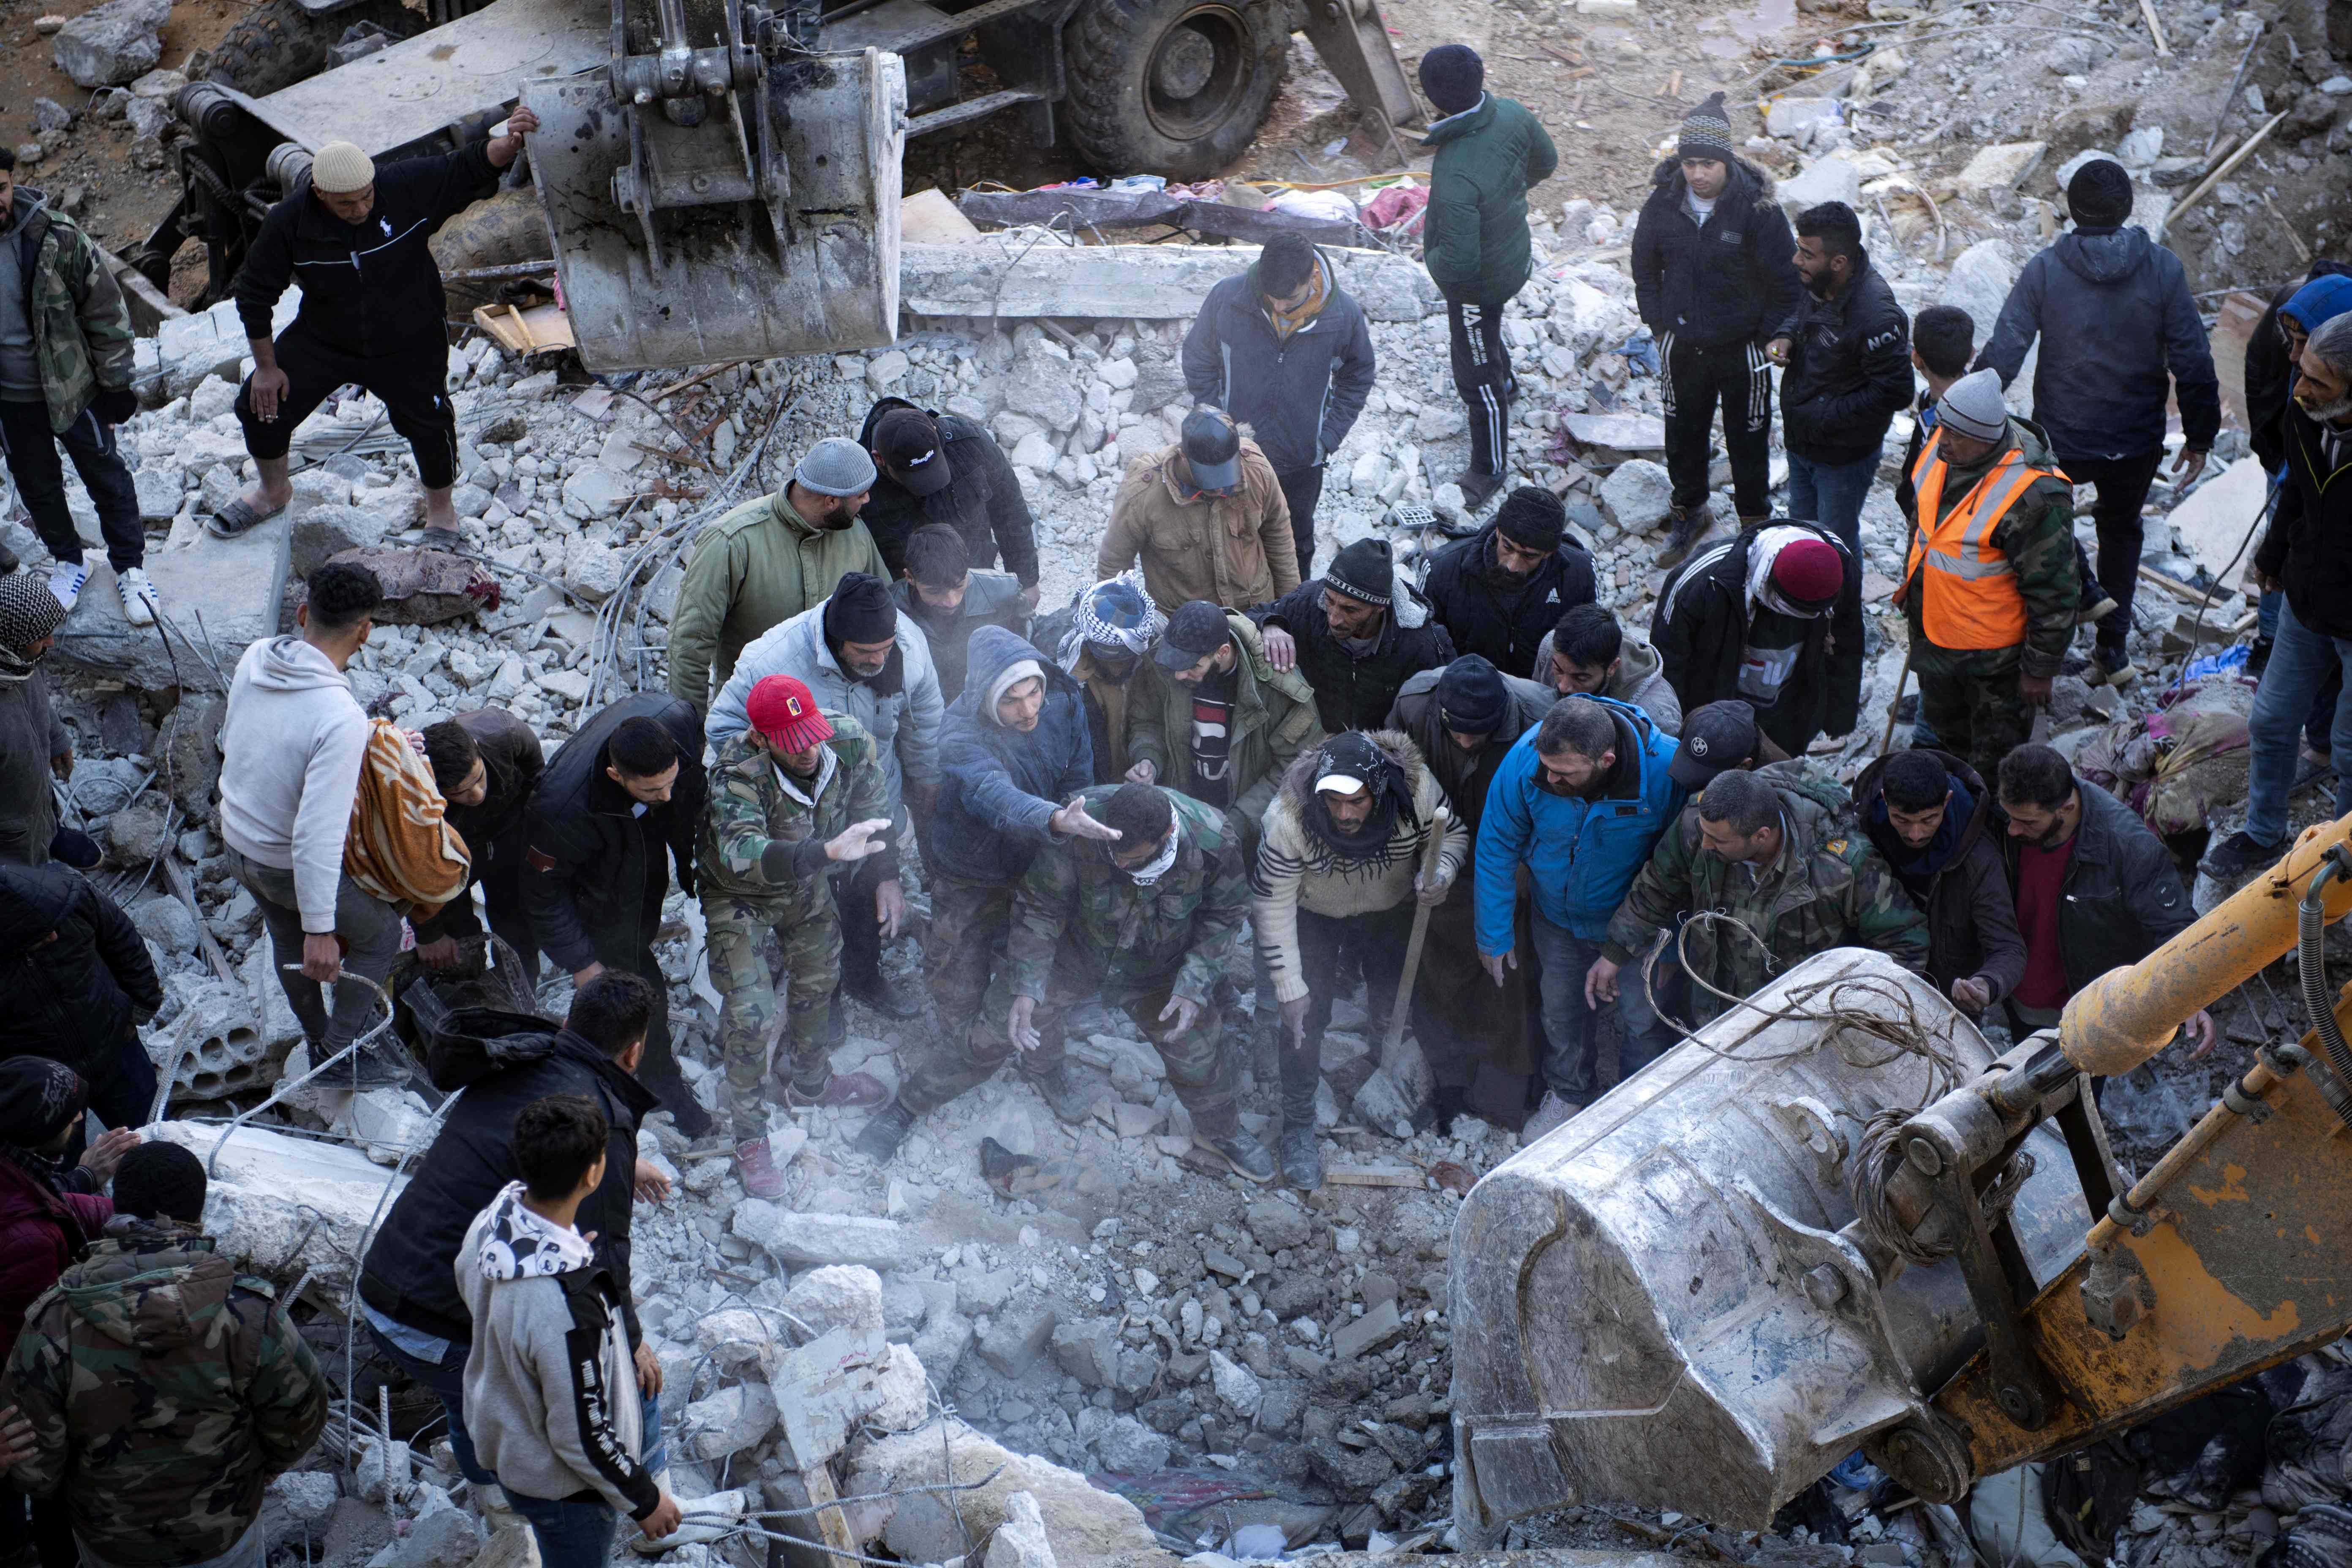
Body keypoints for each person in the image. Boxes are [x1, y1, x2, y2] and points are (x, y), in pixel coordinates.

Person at [854, 784, 1274, 1183]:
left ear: (1167, 835)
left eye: (1132, 858)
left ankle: (1221, 1131)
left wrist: (1194, 982)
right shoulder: (1083, 823)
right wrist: (1028, 985)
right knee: (996, 1029)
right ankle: (907, 1106)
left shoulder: (1213, 841)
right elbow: (1041, 906)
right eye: (1114, 854)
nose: (1120, 865)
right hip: (1074, 954)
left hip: (1161, 968)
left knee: (1196, 1049)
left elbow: (1226, 913)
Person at [357, 972, 667, 1499]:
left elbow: (516, 1138)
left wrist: (621, 1161)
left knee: (468, 1397)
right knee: (623, 1372)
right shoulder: (602, 1117)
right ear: (634, 1054)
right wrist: (634, 1344)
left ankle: (492, 1503)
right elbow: (607, 1257)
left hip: (382, 1288)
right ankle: (654, 1500)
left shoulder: (521, 1059)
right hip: (436, 1324)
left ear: (569, 1022)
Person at [6, 1141, 328, 1568]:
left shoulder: (53, 1322)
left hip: (111, 1543)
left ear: (116, 1211)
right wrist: (262, 1470)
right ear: (198, 1218)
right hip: (223, 1536)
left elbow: (33, 1467)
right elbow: (302, 1420)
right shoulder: (253, 1315)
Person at [218, 120, 539, 547]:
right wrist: (265, 368)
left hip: (410, 334)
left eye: (367, 196)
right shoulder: (289, 222)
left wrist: (508, 142)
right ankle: (273, 491)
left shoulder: (401, 185)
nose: (362, 209)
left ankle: (441, 515)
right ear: (320, 195)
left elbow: (464, 167)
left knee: (430, 419)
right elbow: (254, 294)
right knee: (259, 405)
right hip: (327, 336)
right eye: (347, 204)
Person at [1976, 157, 2220, 688]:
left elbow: (2006, 350)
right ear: (2128, 209)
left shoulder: (2046, 268)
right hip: (2135, 437)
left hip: (2064, 434)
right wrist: (2200, 433)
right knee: (2122, 529)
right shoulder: (2162, 268)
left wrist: (1969, 412)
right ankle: (2112, 651)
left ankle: (2049, 636)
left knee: (2042, 524)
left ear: (2072, 211)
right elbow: (2194, 358)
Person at [457, 1095, 682, 1568]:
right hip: (564, 1490)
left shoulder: (492, 1222)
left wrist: (565, 1254)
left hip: (509, 1443)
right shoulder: (566, 1307)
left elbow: (471, 1282)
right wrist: (644, 1500)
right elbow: (581, 1432)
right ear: (594, 1174)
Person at [909, 630, 1122, 1127]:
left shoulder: (1065, 698)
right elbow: (996, 796)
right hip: (971, 870)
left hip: (1039, 861)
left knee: (1036, 972)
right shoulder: (959, 733)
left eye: (1033, 694)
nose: (1028, 710)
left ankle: (1045, 1062)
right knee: (957, 977)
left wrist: (1071, 822)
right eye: (1011, 700)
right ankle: (966, 1049)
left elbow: (1078, 779)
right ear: (986, 697)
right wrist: (1055, 820)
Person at [706, 574, 942, 1019]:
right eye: (865, 653)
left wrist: (927, 778)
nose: (878, 660)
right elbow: (723, 731)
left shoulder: (907, 647)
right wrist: (781, 790)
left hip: (874, 792)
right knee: (810, 908)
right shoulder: (773, 661)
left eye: (884, 650)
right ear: (836, 641)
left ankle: (864, 976)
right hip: (802, 813)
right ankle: (822, 993)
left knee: (866, 889)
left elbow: (925, 717)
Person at [698, 677, 895, 1192]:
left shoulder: (848, 741)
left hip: (807, 884)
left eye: (812, 733)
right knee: (752, 1014)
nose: (808, 749)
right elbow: (744, 854)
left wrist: (886, 876)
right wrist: (826, 854)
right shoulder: (735, 772)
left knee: (819, 977)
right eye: (791, 741)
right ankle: (748, 1133)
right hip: (741, 896)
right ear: (762, 739)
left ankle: (811, 1082)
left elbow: (875, 815)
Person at [218, 561, 410, 1085]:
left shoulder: (259, 655)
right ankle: (336, 1054)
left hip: (236, 840)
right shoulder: (338, 715)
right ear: (365, 631)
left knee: (284, 932)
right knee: (380, 936)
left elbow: (236, 740)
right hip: (283, 861)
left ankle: (315, 1028)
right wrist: (321, 930)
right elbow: (316, 835)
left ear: (303, 613)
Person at [1253, 732, 1465, 1187]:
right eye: (1333, 802)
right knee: (1304, 1020)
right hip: (1314, 915)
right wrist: (1289, 987)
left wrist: (1441, 871)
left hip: (1389, 909)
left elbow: (1452, 836)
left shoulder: (1418, 791)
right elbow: (1271, 904)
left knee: (1393, 1001)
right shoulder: (1287, 819)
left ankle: (1390, 1078)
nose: (1346, 814)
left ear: (1381, 789)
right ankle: (1297, 1124)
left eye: (1358, 801)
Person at [1476, 696, 1683, 1141]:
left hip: (1638, 928)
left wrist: (1678, 938)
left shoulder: (1665, 769)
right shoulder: (1528, 760)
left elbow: (1685, 860)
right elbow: (1496, 843)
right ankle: (1569, 1091)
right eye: (1546, 767)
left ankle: (1637, 1105)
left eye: (1564, 774)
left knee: (1644, 1018)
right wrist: (1493, 931)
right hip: (1557, 919)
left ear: (1605, 760)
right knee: (1561, 1010)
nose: (1549, 778)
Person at [1598, 766, 1930, 1033]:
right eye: (1704, 834)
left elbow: (1905, 943)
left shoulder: (1843, 868)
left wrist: (1850, 1015)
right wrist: (1616, 952)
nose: (1705, 846)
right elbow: (1659, 886)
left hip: (1801, 1030)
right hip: (1715, 1014)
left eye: (1718, 841)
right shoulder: (1701, 824)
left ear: (1761, 836)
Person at [2206, 313, 2352, 881]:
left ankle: (2340, 867)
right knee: (2270, 722)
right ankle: (2263, 835)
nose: (2299, 388)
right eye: (2304, 371)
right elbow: (2296, 490)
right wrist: (2271, 557)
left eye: (2319, 382)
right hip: (2306, 600)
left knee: (2348, 751)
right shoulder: (2305, 415)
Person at [523, 694, 710, 1135]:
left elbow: (685, 799)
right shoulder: (559, 809)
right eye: (652, 790)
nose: (666, 795)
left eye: (670, 781)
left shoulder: (678, 721)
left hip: (635, 847)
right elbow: (543, 896)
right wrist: (583, 963)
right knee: (638, 989)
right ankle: (655, 1084)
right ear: (614, 774)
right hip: (599, 885)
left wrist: (690, 863)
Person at [1630, 92, 1802, 568]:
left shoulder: (1755, 209)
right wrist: (1659, 325)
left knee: (1748, 434)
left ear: (1726, 161)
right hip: (1681, 344)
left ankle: (1754, 523)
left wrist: (1769, 336)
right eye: (1690, 164)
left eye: (1708, 163)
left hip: (1742, 348)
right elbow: (1644, 268)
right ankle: (1690, 512)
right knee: (1682, 432)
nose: (1698, 174)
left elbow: (1786, 282)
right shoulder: (1661, 206)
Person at [1387, 654, 1554, 1127]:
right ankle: (1447, 1075)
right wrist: (1425, 863)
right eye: (1455, 732)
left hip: (1513, 862)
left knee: (1506, 971)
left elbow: (1562, 804)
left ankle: (1503, 1089)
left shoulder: (1541, 719)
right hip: (1441, 852)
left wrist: (1522, 872)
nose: (1464, 743)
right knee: (1437, 967)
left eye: (1475, 735)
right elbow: (1399, 786)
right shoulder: (1416, 703)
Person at [1894, 368, 2077, 784]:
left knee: (1996, 765)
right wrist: (1912, 586)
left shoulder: (2034, 495)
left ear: (1987, 437)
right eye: (1942, 428)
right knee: (1947, 746)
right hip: (1936, 640)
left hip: (1994, 665)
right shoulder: (1940, 451)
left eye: (1956, 435)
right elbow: (1923, 526)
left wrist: (2040, 668)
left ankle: (1991, 832)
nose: (1943, 442)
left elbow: (2055, 591)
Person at [0, 149, 149, 625]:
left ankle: (130, 568)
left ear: (11, 184)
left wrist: (117, 384)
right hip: (11, 400)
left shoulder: (56, 237)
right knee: (38, 487)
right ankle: (70, 562)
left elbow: (106, 311)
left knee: (107, 478)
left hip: (75, 390)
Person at [0, 1059, 134, 1568]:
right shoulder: (26, 1245)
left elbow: (40, 1199)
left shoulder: (17, 1174)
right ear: (38, 1129)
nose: (82, 1121)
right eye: (73, 1116)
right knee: (33, 1485)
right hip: (15, 1405)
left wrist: (89, 1181)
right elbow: (32, 1351)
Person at [1414, 44, 1558, 512]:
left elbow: (1457, 265)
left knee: (1476, 374)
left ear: (1434, 97)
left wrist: (1429, 254)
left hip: (1477, 284)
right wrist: (1508, 196)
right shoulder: (1513, 114)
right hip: (1514, 253)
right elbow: (1547, 162)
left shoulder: (1456, 170)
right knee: (1490, 332)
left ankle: (1489, 466)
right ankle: (1510, 384)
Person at [1179, 234, 1377, 573]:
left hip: (1301, 461)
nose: (1279, 307)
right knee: (1230, 536)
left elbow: (1358, 377)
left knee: (1295, 540)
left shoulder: (1342, 316)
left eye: (1290, 298)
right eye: (1272, 297)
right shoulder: (1229, 298)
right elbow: (1199, 358)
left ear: (1312, 277)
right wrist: (1216, 421)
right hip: (1235, 454)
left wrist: (1327, 438)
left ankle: (1290, 611)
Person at [1996, 744, 2208, 1051]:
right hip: (2019, 1002)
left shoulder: (2129, 848)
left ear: (2066, 808)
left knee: (2082, 1097)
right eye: (2010, 817)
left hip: (2090, 1019)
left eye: (2027, 822)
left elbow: (2175, 928)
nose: (2013, 830)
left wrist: (2188, 996)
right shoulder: (2014, 818)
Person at [667, 437, 889, 714]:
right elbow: (690, 645)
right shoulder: (732, 541)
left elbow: (887, 609)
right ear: (831, 501)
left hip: (835, 711)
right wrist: (691, 735)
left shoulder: (855, 533)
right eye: (860, 495)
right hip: (756, 716)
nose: (868, 500)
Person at [1126, 599, 1323, 861]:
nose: (1179, 676)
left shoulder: (1280, 689)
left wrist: (1236, 824)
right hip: (1180, 814)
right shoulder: (1163, 663)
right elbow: (1147, 721)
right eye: (1177, 665)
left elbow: (1298, 767)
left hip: (1252, 830)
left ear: (1222, 652)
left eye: (1193, 666)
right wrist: (1149, 759)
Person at [1652, 517, 1860, 756]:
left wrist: (1839, 715)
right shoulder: (1707, 581)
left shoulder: (1838, 565)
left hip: (1789, 708)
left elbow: (1848, 641)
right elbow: (1669, 660)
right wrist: (1677, 736)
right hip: (1715, 708)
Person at [1779, 200, 1912, 558]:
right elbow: (1805, 315)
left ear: (1839, 262)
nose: (1797, 260)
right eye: (1798, 249)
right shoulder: (1821, 280)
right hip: (1802, 440)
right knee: (1800, 531)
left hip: (1841, 457)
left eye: (1806, 254)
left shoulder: (1876, 315)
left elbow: (1897, 392)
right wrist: (1786, 335)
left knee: (1834, 546)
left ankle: (1842, 611)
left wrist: (1825, 414)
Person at [1853, 747, 2025, 1020]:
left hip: (1948, 1004)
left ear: (1947, 801)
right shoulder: (1861, 837)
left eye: (1929, 820)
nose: (1916, 834)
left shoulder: (1979, 860)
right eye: (1902, 820)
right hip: (1872, 998)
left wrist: (1986, 984)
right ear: (1885, 800)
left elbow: (2008, 948)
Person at [0, 862, 162, 1143]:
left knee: (152, 1136)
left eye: (54, 924)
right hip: (49, 1085)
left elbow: (121, 937)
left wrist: (139, 1007)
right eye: (39, 936)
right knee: (61, 1175)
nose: (53, 935)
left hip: (117, 1047)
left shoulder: (67, 893)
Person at [2244, 269, 2352, 682]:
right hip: (2307, 600)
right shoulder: (2305, 399)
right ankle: (2269, 640)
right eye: (2294, 347)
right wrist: (2272, 450)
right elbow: (2258, 365)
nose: (2293, 358)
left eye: (2305, 346)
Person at [1098, 407, 1300, 615]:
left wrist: (1288, 612)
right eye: (1212, 478)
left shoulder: (1256, 470)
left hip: (1255, 610)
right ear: (1183, 457)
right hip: (1186, 626)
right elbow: (1114, 565)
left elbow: (1279, 536)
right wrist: (1119, 626)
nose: (1221, 488)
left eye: (1227, 474)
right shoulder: (1142, 494)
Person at [1255, 538, 1455, 733]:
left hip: (1383, 751)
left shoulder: (1422, 645)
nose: (1334, 618)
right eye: (1330, 601)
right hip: (1312, 737)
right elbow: (1243, 618)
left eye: (1350, 610)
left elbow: (1443, 713)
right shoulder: (1307, 604)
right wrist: (1269, 624)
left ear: (1379, 607)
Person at [856, 397, 1041, 603]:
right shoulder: (858, 482)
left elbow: (1011, 513)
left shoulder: (970, 445)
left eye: (934, 470)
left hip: (973, 581)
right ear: (879, 458)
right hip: (911, 602)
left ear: (935, 431)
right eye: (914, 479)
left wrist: (1027, 581)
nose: (928, 487)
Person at [411, 708, 545, 981]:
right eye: (460, 792)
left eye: (479, 778)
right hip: (452, 861)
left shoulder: (506, 734)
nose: (477, 795)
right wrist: (429, 933)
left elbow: (540, 783)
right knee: (459, 948)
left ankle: (522, 1001)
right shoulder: (416, 797)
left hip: (508, 836)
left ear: (476, 749)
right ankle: (474, 999)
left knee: (519, 933)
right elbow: (414, 870)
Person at [1421, 485, 1597, 679]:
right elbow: (1423, 649)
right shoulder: (1441, 570)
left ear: (1549, 554)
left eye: (1529, 556)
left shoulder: (1580, 573)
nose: (1513, 566)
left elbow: (1587, 649)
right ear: (1498, 532)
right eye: (1507, 547)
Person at [1036, 573, 1163, 786]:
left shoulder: (1158, 651)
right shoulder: (1060, 671)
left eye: (1125, 659)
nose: (1117, 669)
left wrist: (1148, 761)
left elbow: (1156, 721)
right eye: (1108, 659)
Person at [889, 523, 1031, 705]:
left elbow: (1029, 642)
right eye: (935, 592)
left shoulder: (1005, 591)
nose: (951, 602)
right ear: (910, 578)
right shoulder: (890, 610)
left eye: (959, 586)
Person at [0, 571, 78, 868]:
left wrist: (55, 736)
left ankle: (50, 836)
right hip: (11, 841)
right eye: (41, 635)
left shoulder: (18, 659)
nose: (51, 642)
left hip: (35, 808)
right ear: (14, 635)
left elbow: (38, 697)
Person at [1532, 602, 1682, 734]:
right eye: (1558, 670)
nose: (1563, 687)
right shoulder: (1551, 647)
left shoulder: (1656, 717)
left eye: (1581, 678)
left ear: (1612, 667)